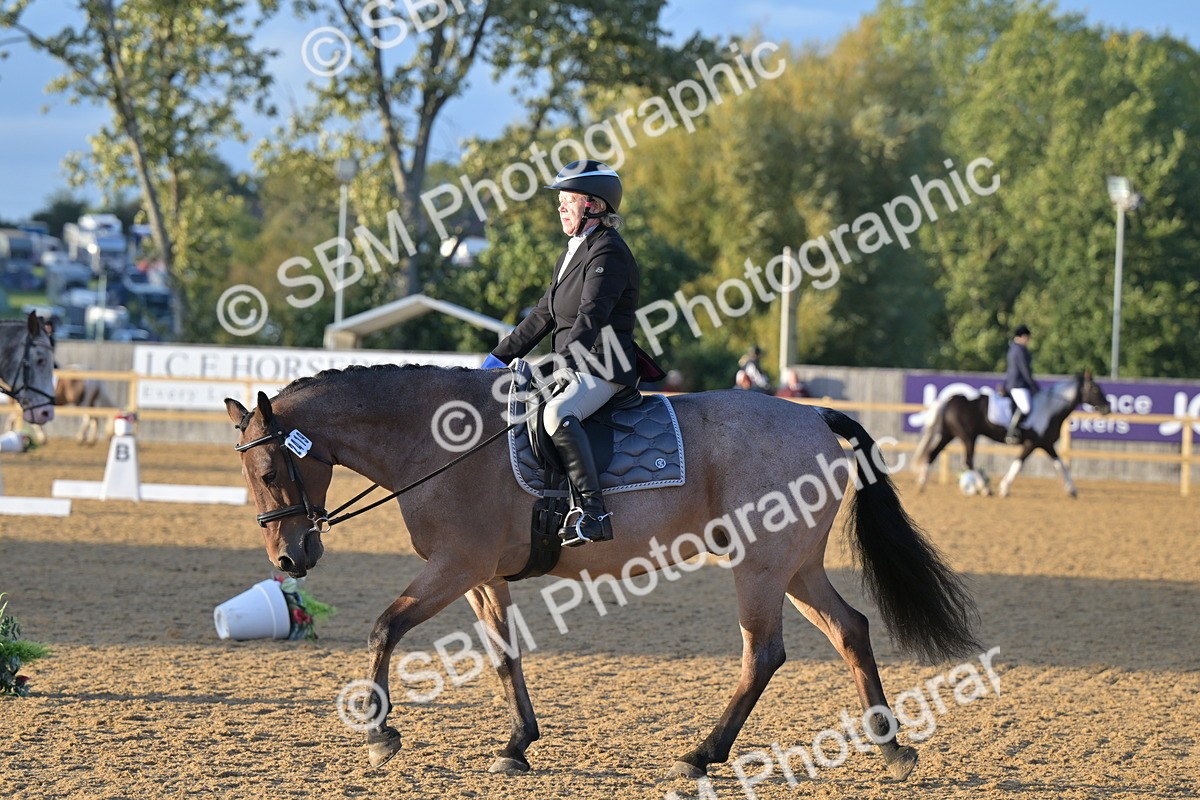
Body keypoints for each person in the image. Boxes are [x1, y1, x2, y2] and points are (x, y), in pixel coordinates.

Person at [482, 160, 639, 547]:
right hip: (573, 362)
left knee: (557, 413)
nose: (560, 207)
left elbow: (590, 317)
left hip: (604, 363)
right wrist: (495, 360)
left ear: (593, 206)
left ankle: (594, 514)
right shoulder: (571, 252)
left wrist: (561, 367)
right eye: (561, 201)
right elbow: (542, 316)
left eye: (568, 200)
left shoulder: (609, 252)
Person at [1003, 324, 1040, 444]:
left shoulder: (1013, 348)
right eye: (1028, 338)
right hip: (1018, 385)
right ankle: (1012, 431)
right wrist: (1033, 386)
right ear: (1023, 336)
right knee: (1026, 407)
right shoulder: (1019, 350)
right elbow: (1025, 370)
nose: (1028, 341)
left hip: (1014, 383)